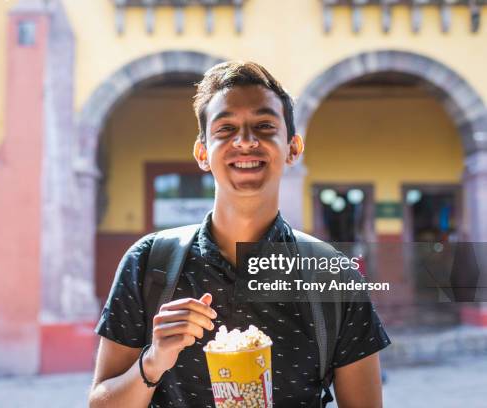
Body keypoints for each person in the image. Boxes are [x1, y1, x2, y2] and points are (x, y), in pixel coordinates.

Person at [89, 61, 390, 408]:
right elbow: (100, 403)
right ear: (203, 153)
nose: (245, 142)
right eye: (226, 128)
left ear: (293, 147)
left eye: (264, 126)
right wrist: (154, 360)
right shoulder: (148, 263)